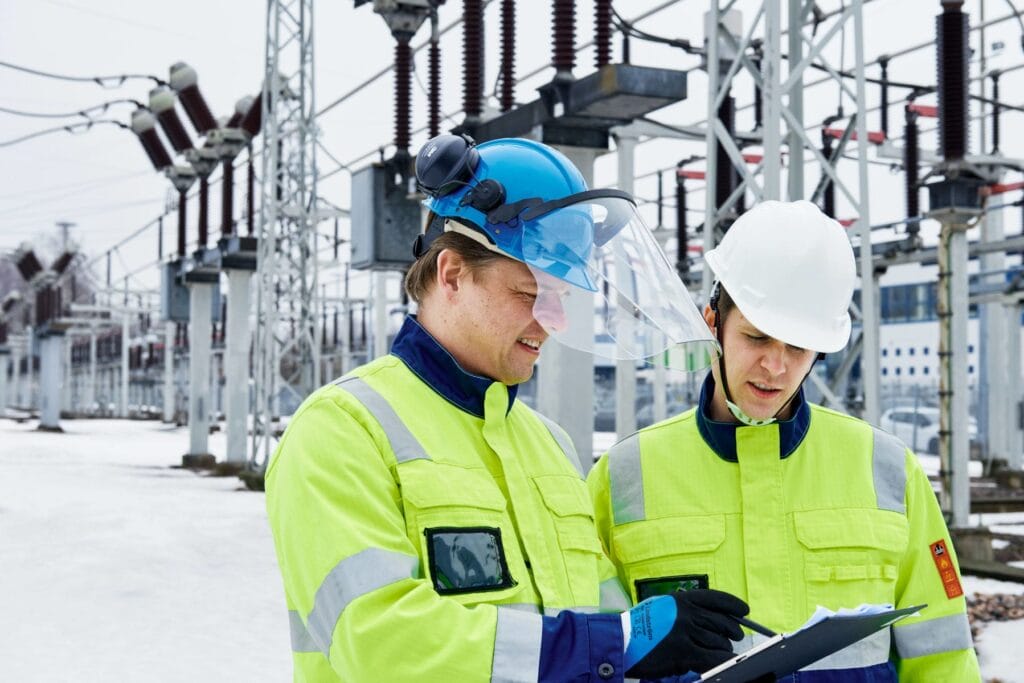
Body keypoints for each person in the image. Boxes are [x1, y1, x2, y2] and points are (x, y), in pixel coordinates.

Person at [265, 134, 749, 682]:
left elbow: (601, 632)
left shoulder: (550, 444)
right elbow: (381, 645)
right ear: (451, 274)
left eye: (561, 299)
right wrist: (611, 643)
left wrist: (665, 658)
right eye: (530, 295)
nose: (553, 323)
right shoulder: (343, 431)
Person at [587, 200, 981, 681]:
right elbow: (591, 647)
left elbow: (943, 656)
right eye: (757, 338)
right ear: (713, 324)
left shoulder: (888, 470)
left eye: (797, 347)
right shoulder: (624, 474)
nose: (776, 367)